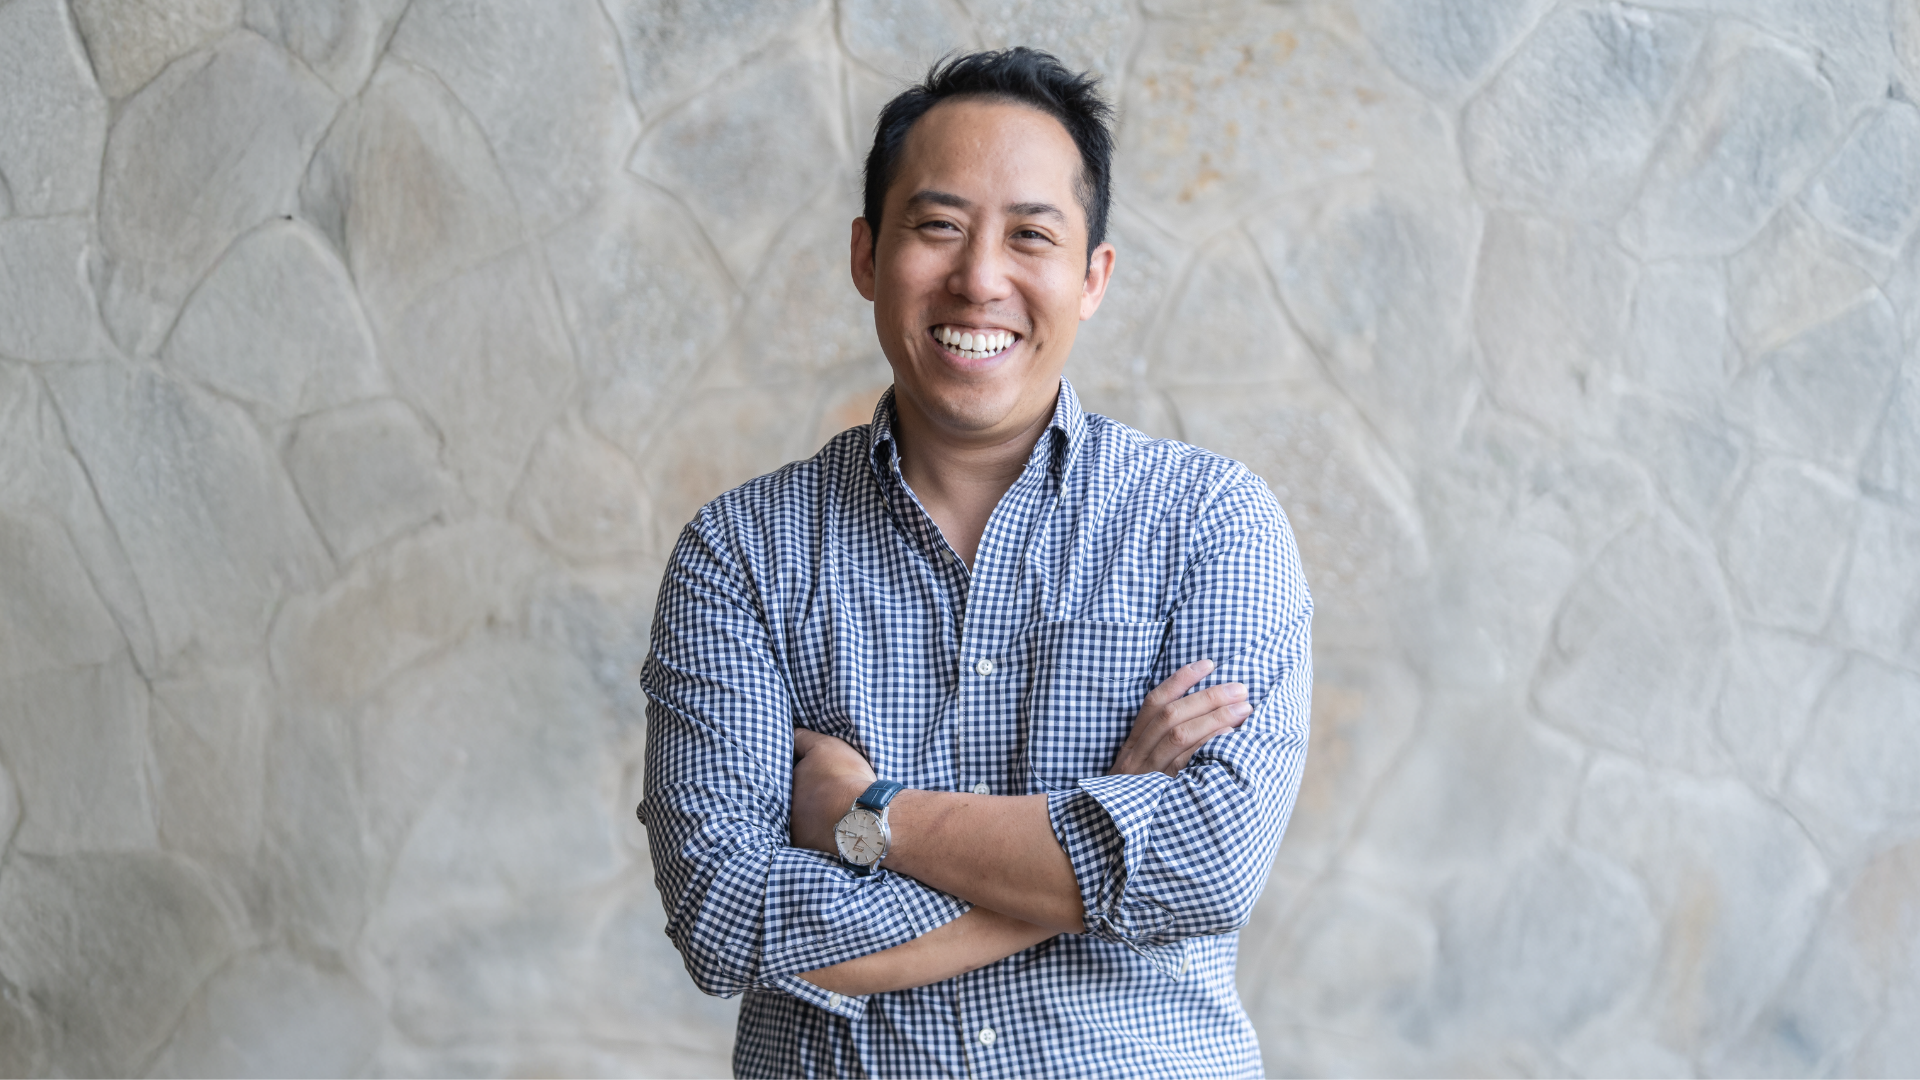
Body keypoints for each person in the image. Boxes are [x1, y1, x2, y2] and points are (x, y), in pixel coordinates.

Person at [638, 47, 1313, 1079]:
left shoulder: (1211, 524)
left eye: (1030, 236)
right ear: (867, 256)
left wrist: (873, 820)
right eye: (939, 227)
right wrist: (1105, 825)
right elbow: (725, 920)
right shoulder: (740, 554)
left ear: (1093, 279)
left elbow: (1207, 867)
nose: (980, 279)